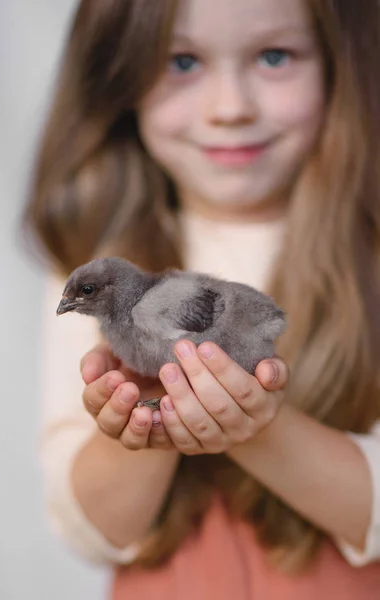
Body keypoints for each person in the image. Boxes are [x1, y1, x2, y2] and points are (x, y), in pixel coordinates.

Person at [25, 0, 380, 597]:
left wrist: (255, 426)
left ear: (340, 64)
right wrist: (143, 425)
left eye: (274, 55)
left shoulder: (367, 255)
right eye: (182, 61)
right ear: (119, 76)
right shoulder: (88, 257)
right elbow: (89, 527)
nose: (230, 108)